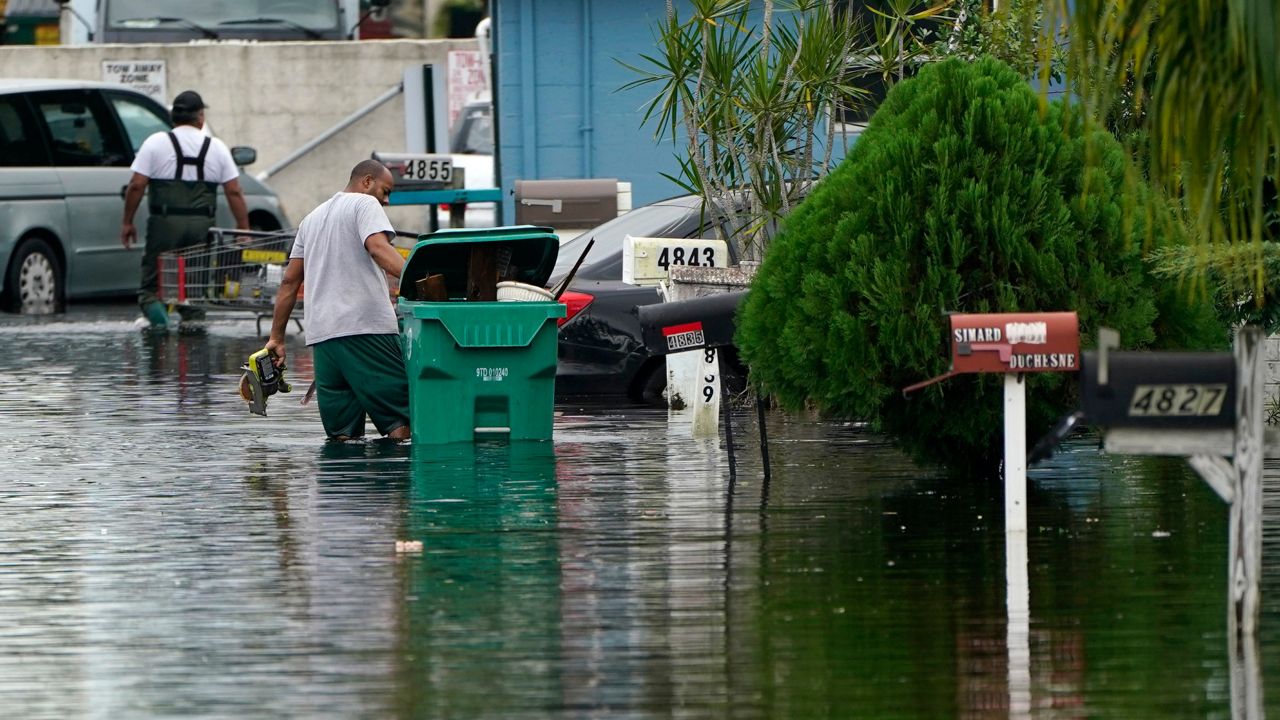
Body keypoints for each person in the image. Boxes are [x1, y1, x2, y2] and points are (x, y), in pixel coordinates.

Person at [265, 160, 411, 441]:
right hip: (366, 331)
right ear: (367, 181)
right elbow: (379, 248)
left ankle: (344, 486)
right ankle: (397, 485)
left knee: (343, 438)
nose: (387, 200)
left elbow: (289, 282)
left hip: (324, 341)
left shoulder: (311, 219)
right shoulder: (364, 204)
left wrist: (276, 338)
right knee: (401, 424)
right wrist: (420, 282)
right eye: (385, 191)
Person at [120, 90, 250, 328]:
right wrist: (244, 227)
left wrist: (127, 221)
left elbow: (137, 185)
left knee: (151, 290)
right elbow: (234, 191)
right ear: (200, 117)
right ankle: (193, 343)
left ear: (173, 117)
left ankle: (161, 329)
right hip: (200, 229)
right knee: (192, 291)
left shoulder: (155, 143)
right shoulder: (216, 148)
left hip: (164, 225)